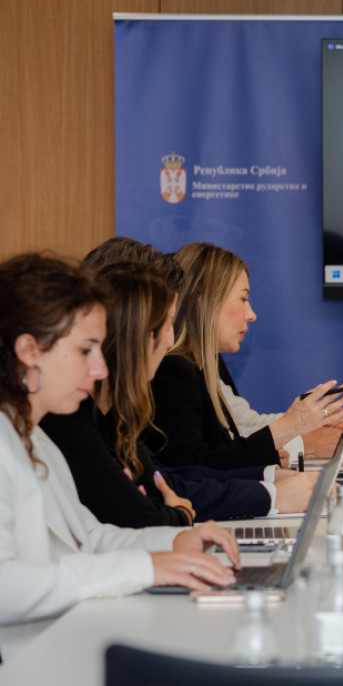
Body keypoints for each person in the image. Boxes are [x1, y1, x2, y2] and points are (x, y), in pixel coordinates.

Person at [0, 253, 240, 658]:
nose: (99, 368)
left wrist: (177, 539)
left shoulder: (34, 439)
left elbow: (92, 538)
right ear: (29, 349)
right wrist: (147, 567)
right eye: (86, 350)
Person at [42, 261, 317, 526]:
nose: (170, 341)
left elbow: (167, 480)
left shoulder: (113, 415)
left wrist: (268, 478)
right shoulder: (72, 422)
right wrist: (181, 513)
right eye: (165, 326)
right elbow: (143, 512)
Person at [148, 242, 343, 470]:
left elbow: (225, 450)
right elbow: (193, 468)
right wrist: (291, 426)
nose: (251, 315)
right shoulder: (173, 370)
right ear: (204, 301)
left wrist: (305, 423)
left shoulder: (198, 367)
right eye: (243, 299)